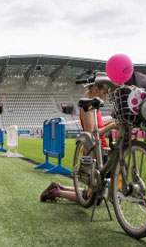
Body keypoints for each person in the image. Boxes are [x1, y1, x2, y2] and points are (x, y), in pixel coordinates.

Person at [41, 72, 118, 202]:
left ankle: (59, 187)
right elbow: (91, 134)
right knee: (93, 198)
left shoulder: (93, 105)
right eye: (104, 92)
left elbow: (97, 127)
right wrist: (111, 127)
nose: (105, 96)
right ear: (95, 89)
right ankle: (57, 192)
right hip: (95, 153)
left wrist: (111, 124)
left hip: (101, 151)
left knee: (95, 193)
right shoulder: (87, 106)